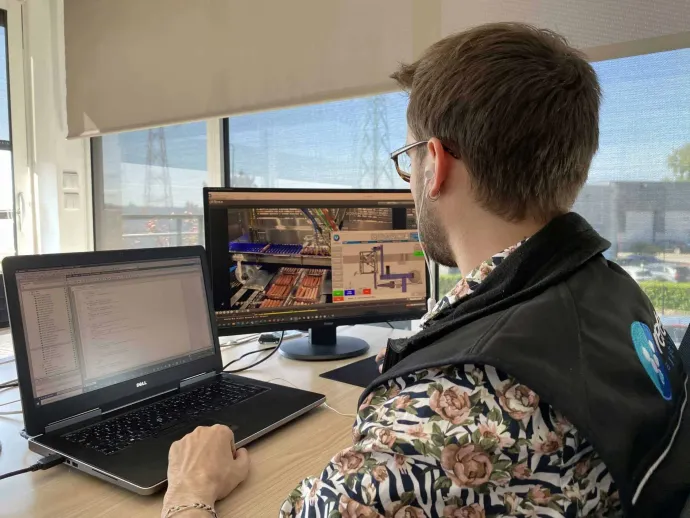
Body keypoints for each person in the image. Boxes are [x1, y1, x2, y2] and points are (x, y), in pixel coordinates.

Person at [161, 23, 690, 518]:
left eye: (409, 157)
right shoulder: (614, 293)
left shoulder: (450, 416)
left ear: (434, 164)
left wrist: (189, 490)